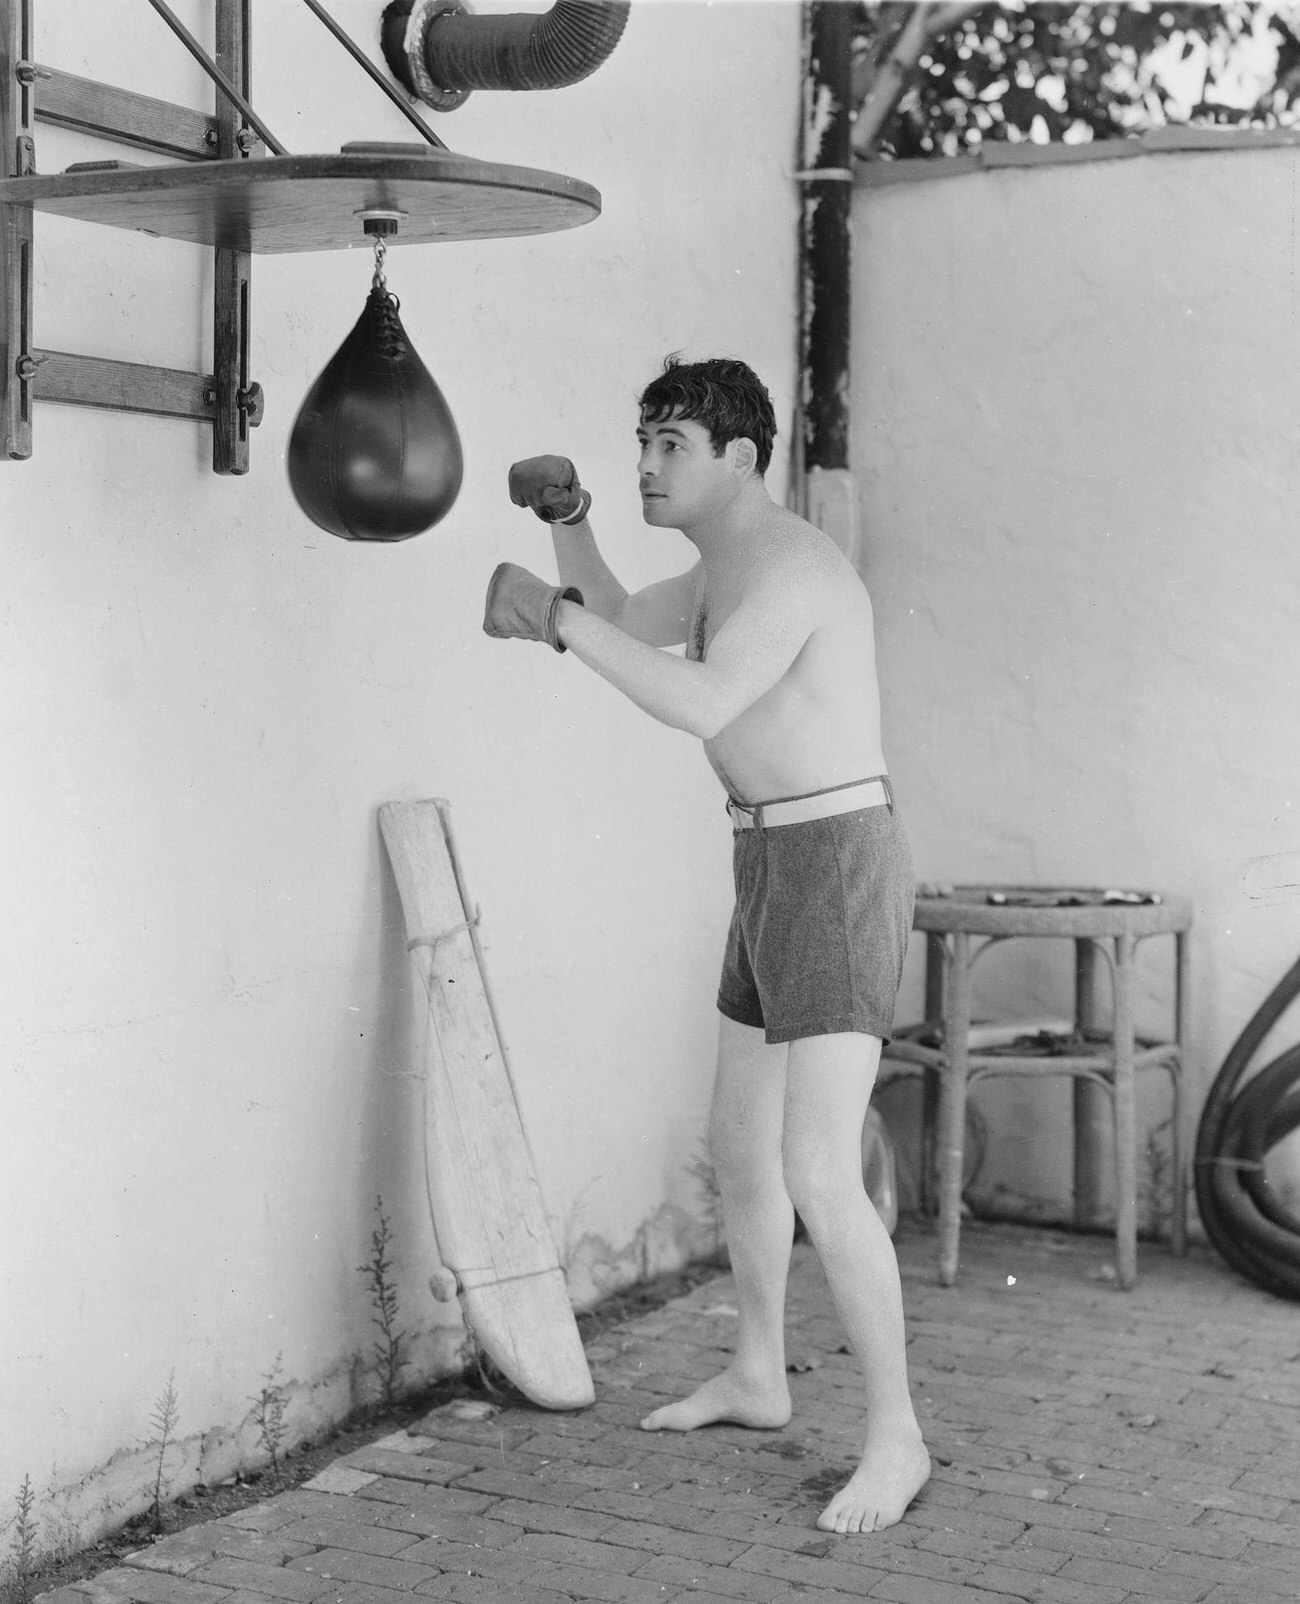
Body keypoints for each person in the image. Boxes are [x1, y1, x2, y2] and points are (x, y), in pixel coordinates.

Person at [482, 355, 928, 1536]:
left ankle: (898, 1438)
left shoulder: (792, 567)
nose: (645, 463)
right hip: (769, 858)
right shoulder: (720, 564)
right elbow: (630, 623)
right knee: (741, 1145)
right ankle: (758, 1372)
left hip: (833, 863)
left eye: (670, 442)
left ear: (740, 455)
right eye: (640, 440)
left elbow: (699, 699)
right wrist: (572, 531)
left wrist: (554, 616)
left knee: (819, 1169)